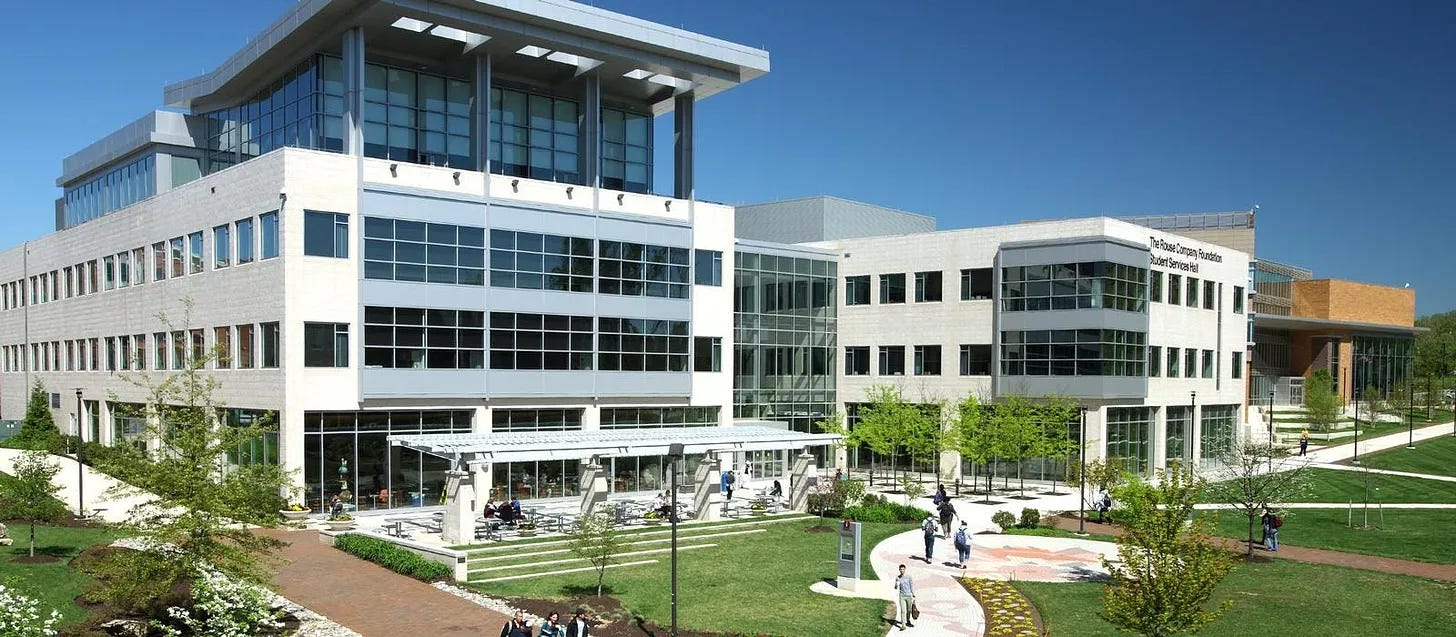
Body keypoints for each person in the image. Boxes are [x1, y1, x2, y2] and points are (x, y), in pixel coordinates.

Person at [894, 564, 915, 630]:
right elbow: (895, 587)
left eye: (903, 569)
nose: (902, 570)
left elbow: (911, 586)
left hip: (909, 596)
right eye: (900, 569)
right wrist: (896, 585)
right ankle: (903, 625)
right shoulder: (898, 577)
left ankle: (908, 621)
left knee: (908, 610)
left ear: (905, 569)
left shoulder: (909, 577)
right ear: (899, 570)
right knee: (903, 611)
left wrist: (913, 594)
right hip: (902, 596)